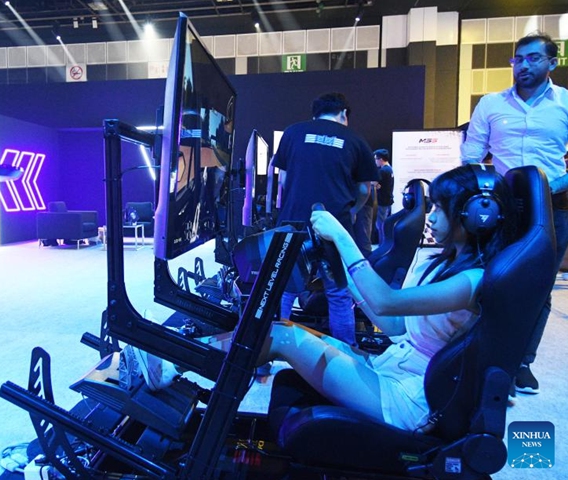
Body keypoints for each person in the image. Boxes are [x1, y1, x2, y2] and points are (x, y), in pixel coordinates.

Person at [123, 164, 518, 432]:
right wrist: (339, 264)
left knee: (282, 337)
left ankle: (169, 362)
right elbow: (395, 325)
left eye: (441, 210)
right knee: (286, 327)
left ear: (477, 216)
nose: (431, 217)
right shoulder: (444, 264)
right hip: (397, 368)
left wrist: (341, 236)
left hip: (411, 401)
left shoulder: (473, 280)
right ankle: (175, 356)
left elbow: (386, 305)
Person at [460, 31, 568, 395]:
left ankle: (521, 363)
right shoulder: (491, 104)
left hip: (553, 208)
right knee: (491, 280)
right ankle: (487, 355)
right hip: (502, 209)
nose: (523, 65)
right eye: (518, 59)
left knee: (539, 287)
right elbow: (471, 154)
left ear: (552, 62)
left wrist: (556, 184)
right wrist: (483, 189)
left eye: (533, 58)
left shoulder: (565, 103)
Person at [274, 92, 378, 346]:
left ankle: (268, 354)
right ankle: (347, 352)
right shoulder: (356, 140)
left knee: (284, 292)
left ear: (315, 114)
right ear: (344, 114)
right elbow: (365, 189)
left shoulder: (293, 132)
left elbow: (283, 180)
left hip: (294, 226)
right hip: (334, 228)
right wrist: (352, 211)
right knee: (339, 295)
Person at [374, 149, 395, 245]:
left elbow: (373, 183)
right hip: (387, 200)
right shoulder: (389, 169)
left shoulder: (383, 171)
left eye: (375, 159)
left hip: (382, 201)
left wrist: (374, 184)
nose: (375, 162)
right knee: (383, 224)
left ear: (380, 159)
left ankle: (382, 245)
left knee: (381, 225)